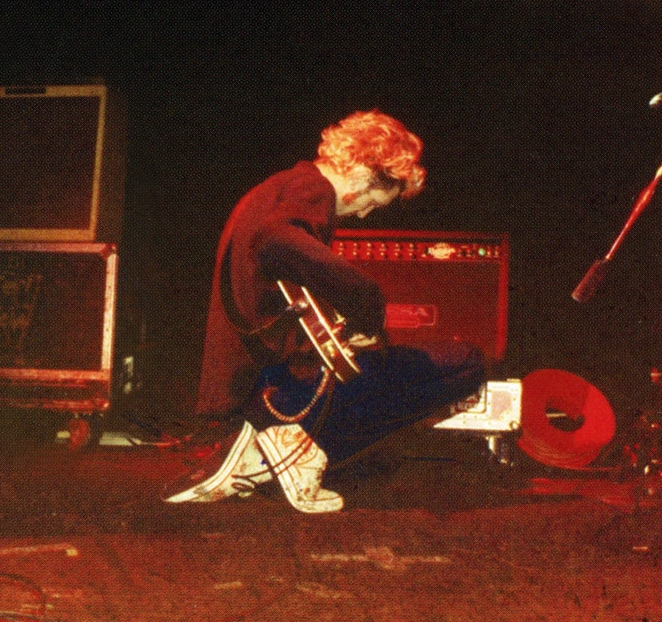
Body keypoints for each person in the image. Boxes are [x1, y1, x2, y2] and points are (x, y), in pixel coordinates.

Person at [164, 109, 486, 512]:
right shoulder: (311, 189)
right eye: (373, 200)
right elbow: (276, 241)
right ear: (363, 173)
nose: (366, 213)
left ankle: (273, 449)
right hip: (286, 388)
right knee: (466, 363)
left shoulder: (278, 187)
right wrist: (367, 304)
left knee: (399, 366)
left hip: (256, 381)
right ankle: (290, 443)